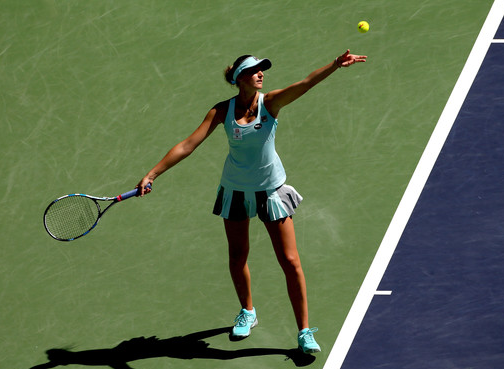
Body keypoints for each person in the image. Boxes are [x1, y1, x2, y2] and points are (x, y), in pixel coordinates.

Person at [136, 50, 367, 353]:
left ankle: (304, 331)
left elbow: (306, 83)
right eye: (255, 70)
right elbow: (188, 145)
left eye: (262, 70)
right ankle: (248, 312)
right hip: (236, 190)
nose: (261, 73)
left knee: (290, 262)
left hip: (270, 191)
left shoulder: (270, 103)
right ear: (239, 79)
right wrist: (152, 174)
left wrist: (335, 65)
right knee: (237, 257)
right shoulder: (221, 111)